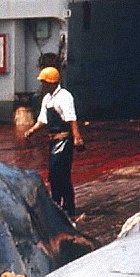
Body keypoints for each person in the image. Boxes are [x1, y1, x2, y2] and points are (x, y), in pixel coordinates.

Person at [22, 66, 84, 217]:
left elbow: (71, 118)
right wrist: (32, 130)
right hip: (53, 141)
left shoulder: (64, 96)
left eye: (44, 82)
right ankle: (57, 203)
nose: (42, 85)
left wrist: (77, 137)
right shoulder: (47, 99)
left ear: (51, 83)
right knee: (54, 174)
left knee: (61, 173)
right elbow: (42, 120)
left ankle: (69, 206)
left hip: (64, 139)